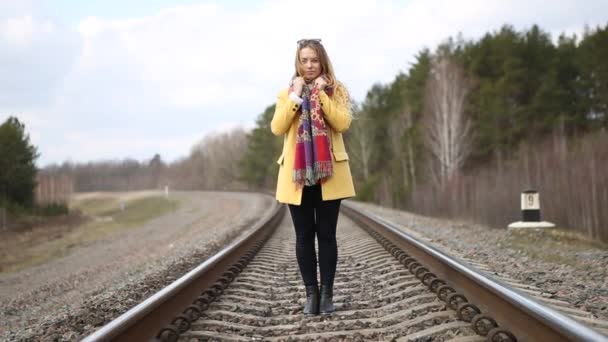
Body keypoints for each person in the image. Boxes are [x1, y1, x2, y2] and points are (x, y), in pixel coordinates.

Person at [270, 39, 356, 315]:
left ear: (322, 62)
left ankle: (327, 296)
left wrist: (321, 96)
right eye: (304, 60)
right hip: (298, 175)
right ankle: (311, 295)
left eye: (314, 60)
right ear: (298, 62)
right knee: (304, 236)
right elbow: (277, 127)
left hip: (328, 174)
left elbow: (342, 123)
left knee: (327, 235)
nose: (309, 65)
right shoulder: (286, 93)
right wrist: (296, 97)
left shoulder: (336, 90)